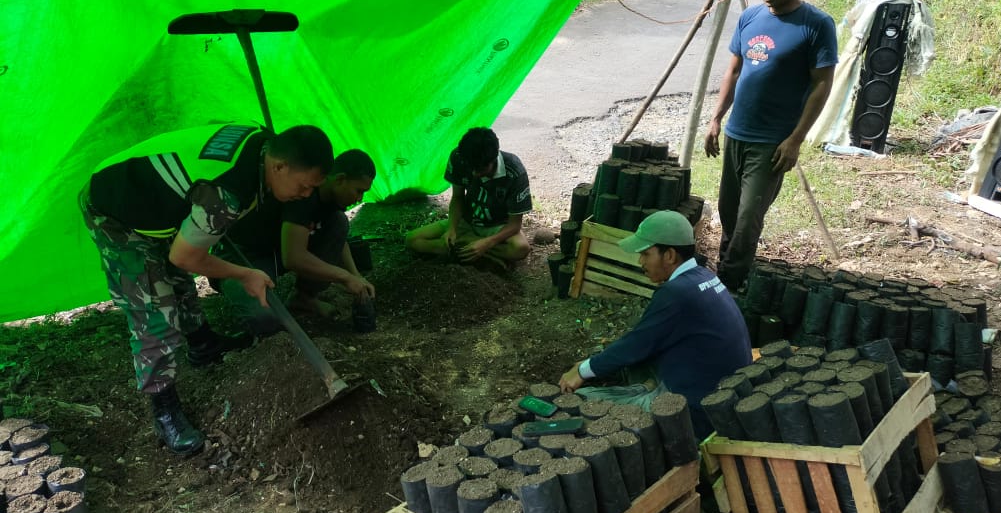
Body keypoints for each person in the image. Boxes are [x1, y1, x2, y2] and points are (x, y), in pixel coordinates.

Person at [79, 122, 333, 456]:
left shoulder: (262, 145)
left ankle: (202, 344)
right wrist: (245, 274)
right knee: (153, 307)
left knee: (175, 277)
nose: (306, 195)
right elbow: (186, 255)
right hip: (115, 209)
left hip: (157, 198)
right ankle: (164, 409)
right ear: (279, 166)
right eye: (303, 186)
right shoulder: (227, 191)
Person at [705, 0, 839, 291]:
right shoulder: (750, 17)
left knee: (749, 218)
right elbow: (733, 71)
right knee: (729, 212)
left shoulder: (816, 25)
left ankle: (728, 284)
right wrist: (716, 119)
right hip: (737, 133)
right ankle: (728, 270)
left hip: (772, 142)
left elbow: (822, 84)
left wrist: (795, 139)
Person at [558, 210, 751, 439]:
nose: (641, 262)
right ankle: (646, 386)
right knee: (619, 361)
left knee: (580, 402)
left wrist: (581, 371)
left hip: (696, 413)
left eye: (646, 254)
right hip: (722, 396)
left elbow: (635, 345)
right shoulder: (704, 276)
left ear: (669, 255)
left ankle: (647, 394)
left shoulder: (676, 294)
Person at [213, 149, 377, 335]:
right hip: (243, 256)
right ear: (340, 179)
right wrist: (345, 277)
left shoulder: (330, 198)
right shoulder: (304, 193)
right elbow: (293, 258)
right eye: (359, 191)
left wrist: (355, 275)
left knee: (339, 221)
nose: (360, 198)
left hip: (277, 249)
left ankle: (304, 298)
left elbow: (338, 241)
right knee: (265, 320)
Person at [405, 127, 532, 265]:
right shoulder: (459, 157)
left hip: (497, 226)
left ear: (494, 158)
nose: (474, 174)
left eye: (480, 169)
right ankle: (476, 249)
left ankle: (470, 247)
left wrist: (487, 243)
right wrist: (451, 229)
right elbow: (458, 197)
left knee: (521, 249)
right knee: (412, 239)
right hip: (466, 221)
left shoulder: (514, 171)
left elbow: (514, 225)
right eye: (471, 167)